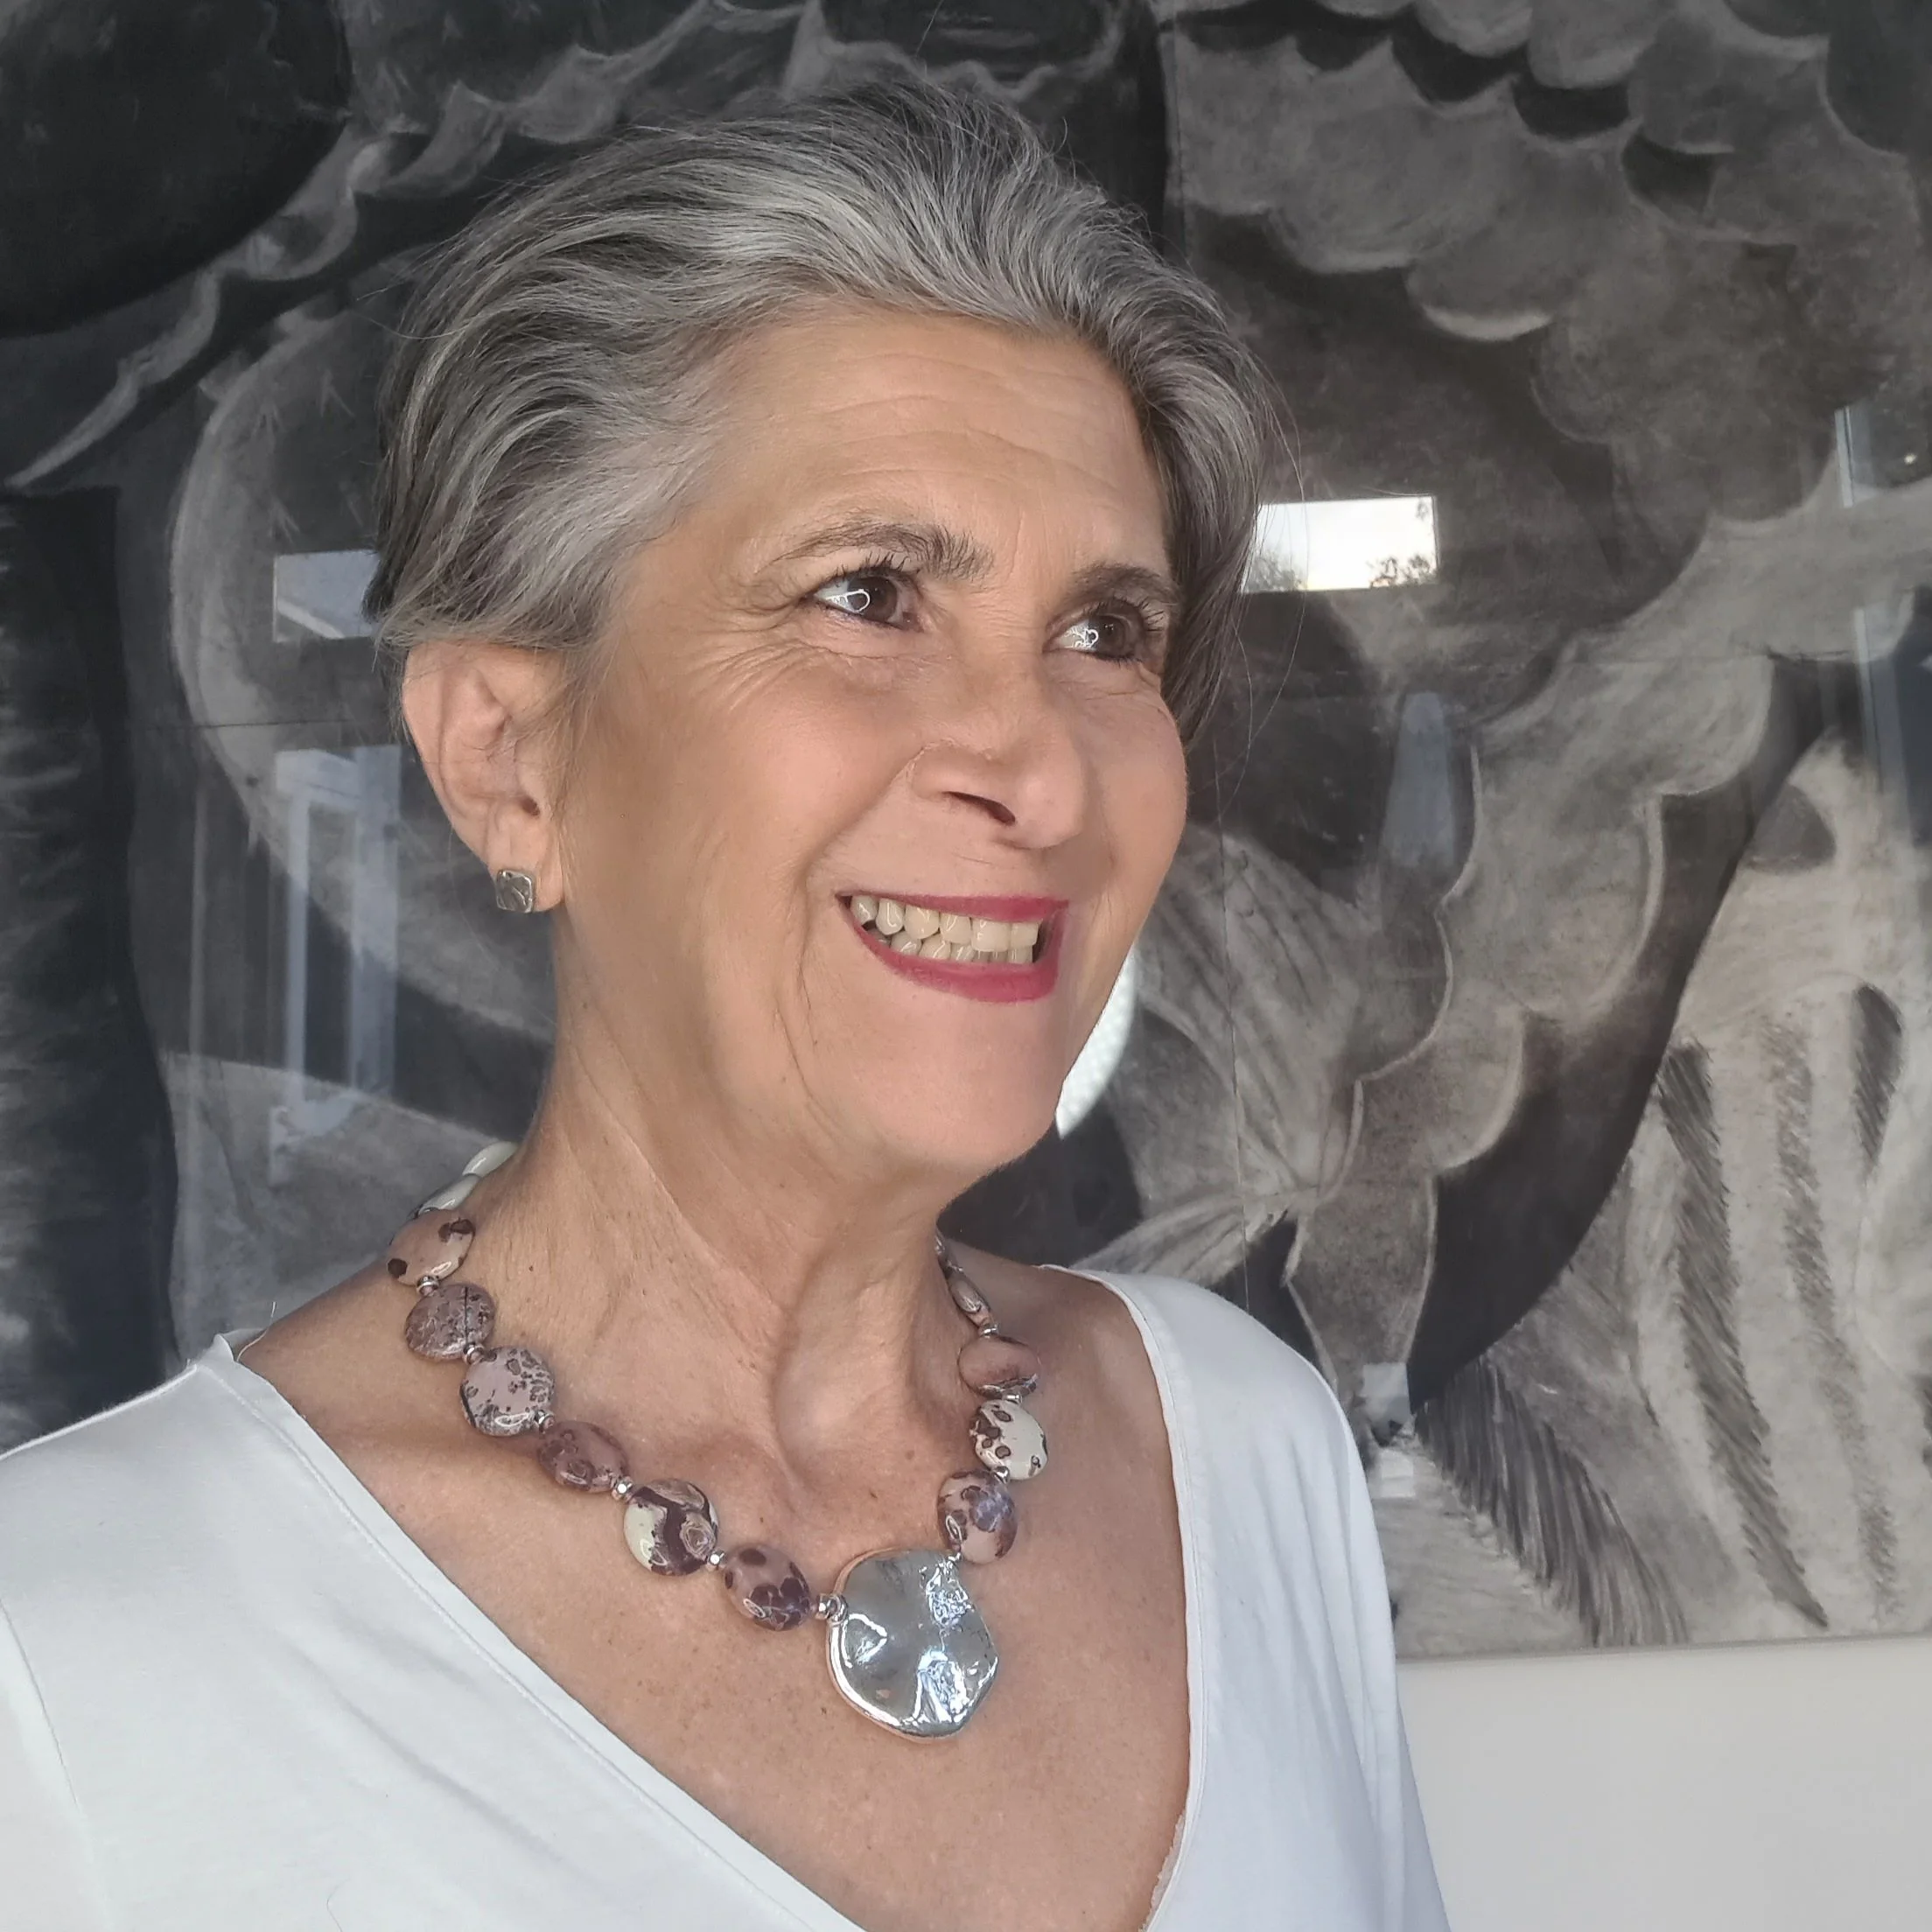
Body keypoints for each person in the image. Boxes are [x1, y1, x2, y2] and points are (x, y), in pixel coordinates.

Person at [0, 79, 1449, 1931]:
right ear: (511, 760)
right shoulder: (70, 1653)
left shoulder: (1244, 1452)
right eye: (867, 595)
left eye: (1105, 633)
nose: (1041, 768)